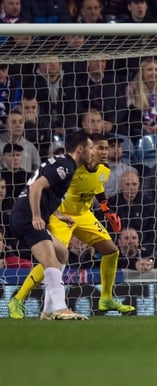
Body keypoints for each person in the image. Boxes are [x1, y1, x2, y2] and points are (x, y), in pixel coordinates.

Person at [8, 134, 135, 319]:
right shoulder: (71, 168)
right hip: (54, 214)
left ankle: (105, 298)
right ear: (85, 150)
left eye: (106, 148)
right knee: (51, 259)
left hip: (81, 214)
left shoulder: (104, 170)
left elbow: (97, 187)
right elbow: (39, 188)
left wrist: (107, 211)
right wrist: (45, 215)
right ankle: (23, 299)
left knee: (110, 251)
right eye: (98, 148)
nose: (103, 152)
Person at [8, 131, 94, 320]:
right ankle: (60, 308)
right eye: (91, 148)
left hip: (25, 215)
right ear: (80, 149)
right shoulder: (66, 166)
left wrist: (58, 214)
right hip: (27, 217)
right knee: (51, 261)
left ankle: (47, 311)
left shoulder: (63, 164)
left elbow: (46, 194)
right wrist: (37, 216)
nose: (93, 152)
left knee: (62, 253)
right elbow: (35, 187)